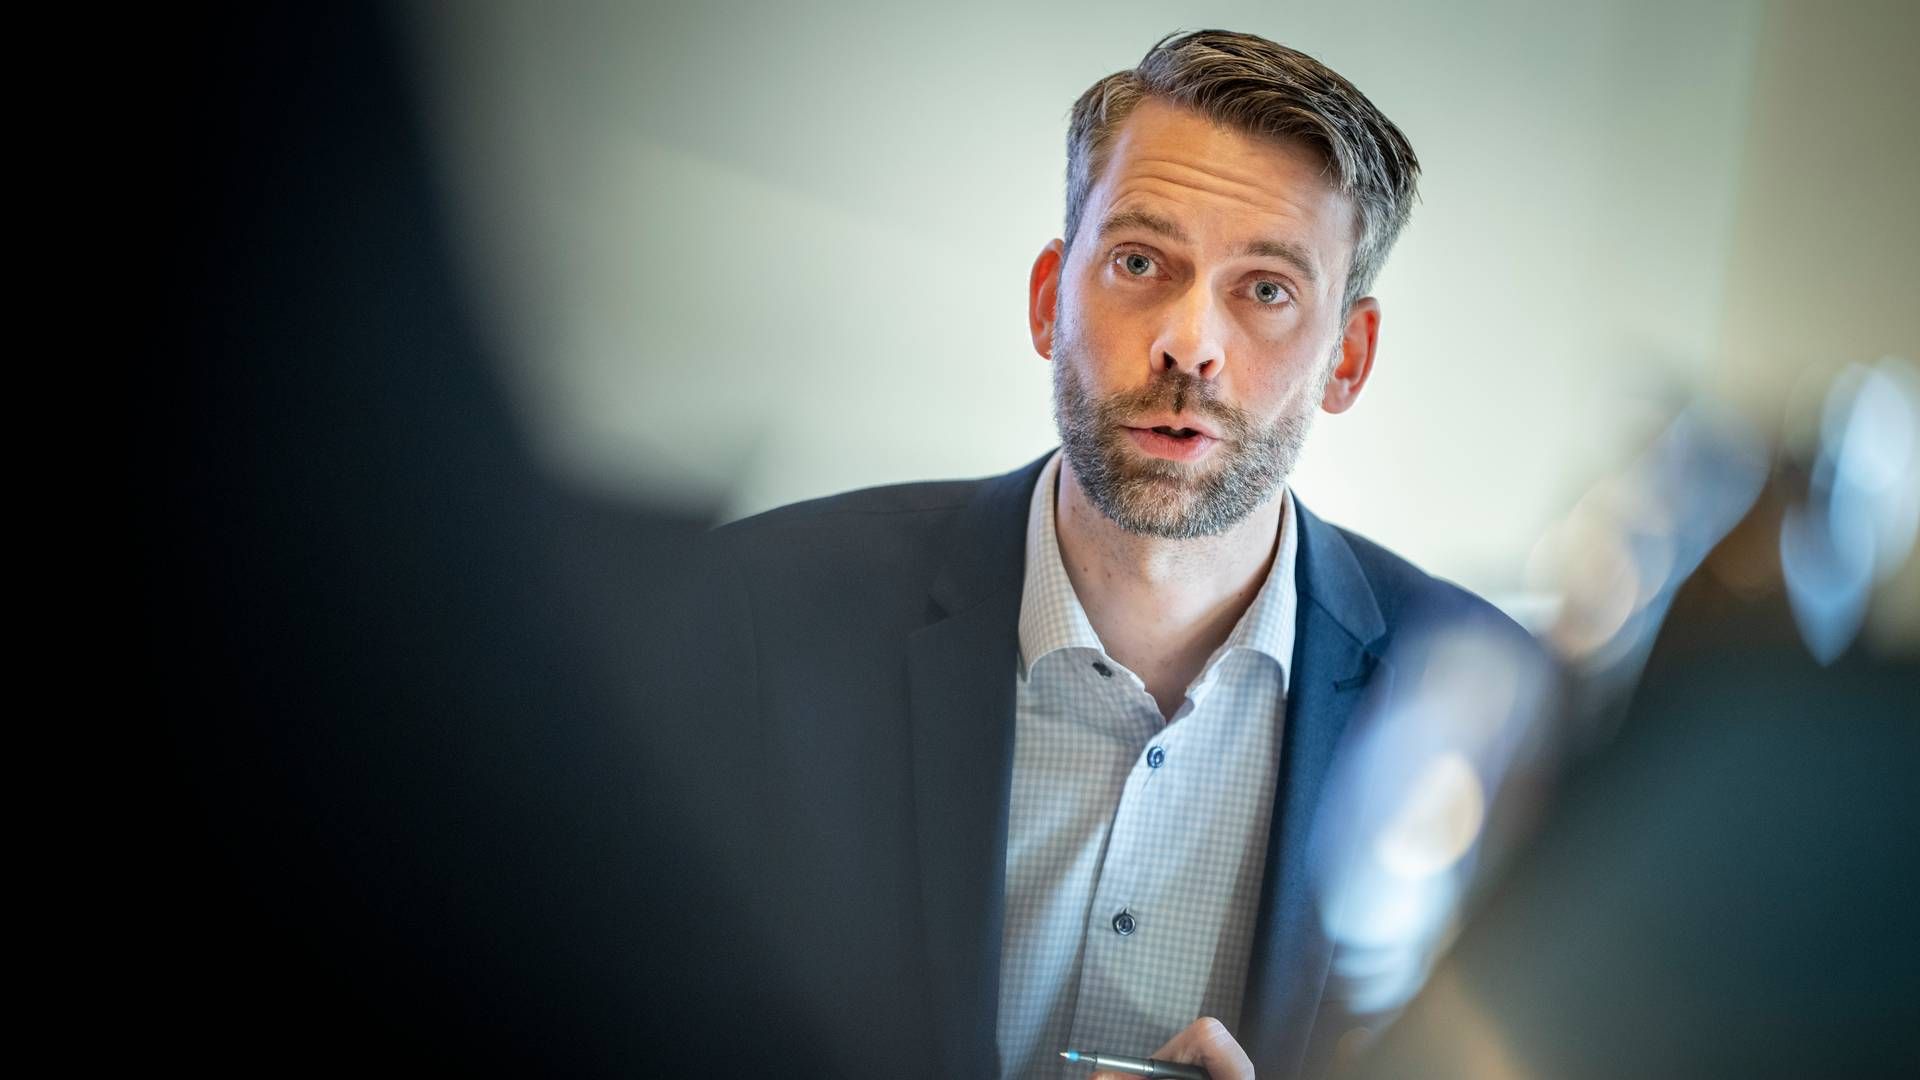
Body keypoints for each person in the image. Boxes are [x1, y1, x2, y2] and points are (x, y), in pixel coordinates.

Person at [697, 29, 1537, 1080]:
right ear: (1051, 297)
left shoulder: (1495, 719)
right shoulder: (757, 618)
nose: (1190, 342)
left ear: (1348, 359)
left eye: (1266, 288)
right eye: (1140, 263)